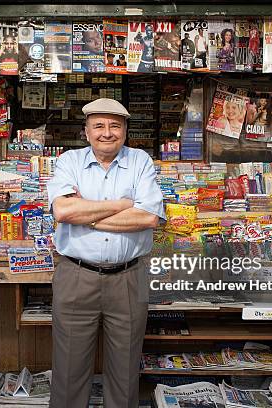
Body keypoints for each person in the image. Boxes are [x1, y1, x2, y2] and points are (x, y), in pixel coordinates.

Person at [47, 98, 165, 408]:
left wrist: (88, 213)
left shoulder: (140, 161)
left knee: (125, 370)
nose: (107, 133)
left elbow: (148, 218)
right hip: (76, 275)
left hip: (129, 277)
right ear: (86, 132)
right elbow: (64, 210)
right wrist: (124, 204)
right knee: (68, 368)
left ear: (125, 131)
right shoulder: (69, 161)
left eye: (115, 126)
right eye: (98, 125)